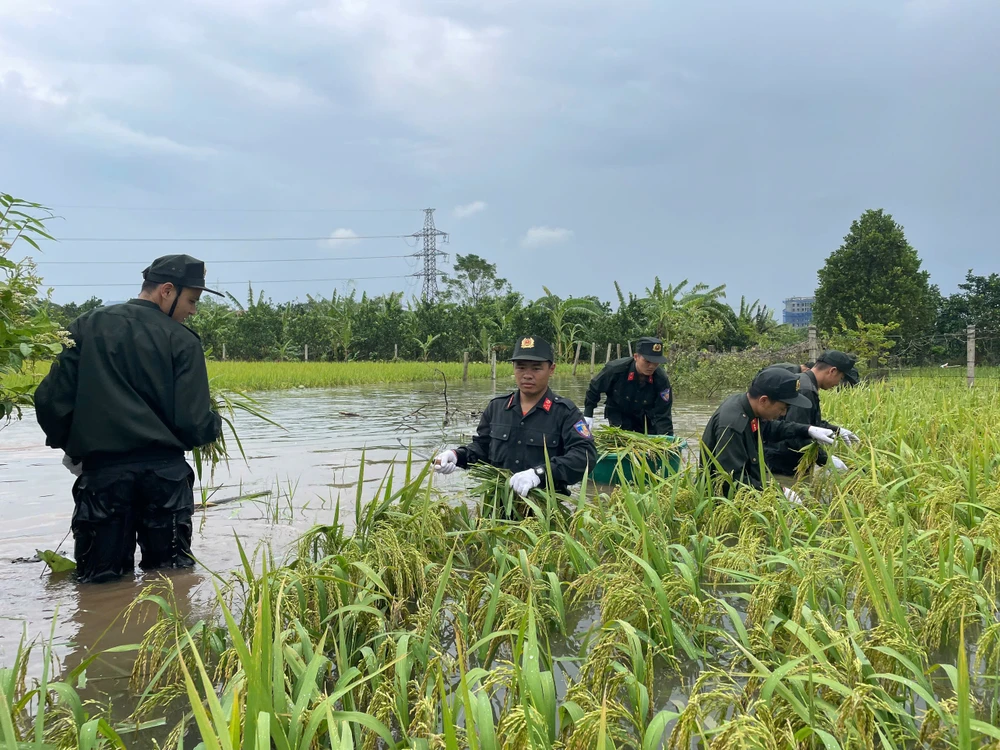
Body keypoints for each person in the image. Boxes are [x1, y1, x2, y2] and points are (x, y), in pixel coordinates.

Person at [34, 254, 224, 583]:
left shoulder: (86, 326)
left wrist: (78, 446)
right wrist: (215, 423)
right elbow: (194, 424)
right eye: (192, 300)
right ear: (167, 290)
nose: (192, 310)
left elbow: (50, 402)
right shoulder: (182, 341)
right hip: (166, 481)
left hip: (102, 477)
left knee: (99, 583)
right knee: (172, 580)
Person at [433, 335, 597, 501]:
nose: (527, 375)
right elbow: (482, 448)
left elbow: (585, 455)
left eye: (536, 368)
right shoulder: (497, 407)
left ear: (552, 369)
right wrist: (456, 456)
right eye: (521, 367)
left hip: (546, 511)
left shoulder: (565, 412)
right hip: (498, 508)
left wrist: (539, 474)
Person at [700, 366, 838, 502]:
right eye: (783, 408)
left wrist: (807, 430)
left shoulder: (747, 406)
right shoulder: (733, 425)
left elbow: (771, 428)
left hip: (747, 493)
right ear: (764, 400)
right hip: (721, 502)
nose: (784, 414)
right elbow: (731, 480)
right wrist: (777, 491)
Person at [764, 350, 861, 477]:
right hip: (781, 465)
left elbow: (808, 424)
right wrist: (826, 459)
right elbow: (796, 436)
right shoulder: (806, 390)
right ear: (832, 371)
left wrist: (836, 430)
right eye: (840, 378)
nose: (838, 383)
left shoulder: (805, 383)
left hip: (786, 463)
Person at [583, 336, 673, 435]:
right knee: (622, 440)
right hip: (619, 413)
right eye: (647, 361)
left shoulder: (661, 379)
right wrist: (588, 414)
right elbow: (594, 388)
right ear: (636, 357)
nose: (651, 366)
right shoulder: (615, 370)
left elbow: (663, 414)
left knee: (649, 443)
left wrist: (668, 441)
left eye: (656, 362)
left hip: (646, 417)